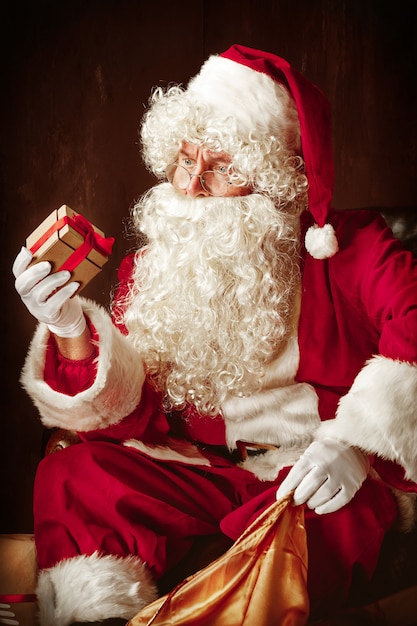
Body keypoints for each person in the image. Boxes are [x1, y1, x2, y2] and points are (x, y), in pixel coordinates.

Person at [12, 44, 417, 626]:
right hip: (205, 474)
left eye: (222, 165)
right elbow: (133, 419)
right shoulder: (157, 267)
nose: (192, 184)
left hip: (312, 471)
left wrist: (358, 443)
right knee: (72, 474)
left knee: (328, 514)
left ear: (271, 177)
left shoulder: (352, 248)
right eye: (184, 158)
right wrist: (70, 328)